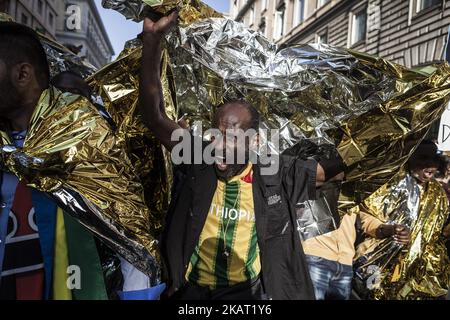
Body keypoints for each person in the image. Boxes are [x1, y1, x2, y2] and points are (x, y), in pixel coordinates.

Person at [138, 11, 346, 300]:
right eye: (217, 133)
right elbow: (155, 116)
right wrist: (152, 42)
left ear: (254, 141)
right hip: (191, 293)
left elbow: (329, 170)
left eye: (233, 136)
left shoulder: (273, 171)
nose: (221, 144)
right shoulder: (199, 157)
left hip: (243, 295)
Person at [353, 140, 450, 299]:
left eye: (434, 158)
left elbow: (437, 233)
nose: (430, 164)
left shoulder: (437, 193)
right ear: (410, 157)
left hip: (420, 269)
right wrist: (389, 230)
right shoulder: (393, 183)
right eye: (423, 158)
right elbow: (366, 215)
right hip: (383, 262)